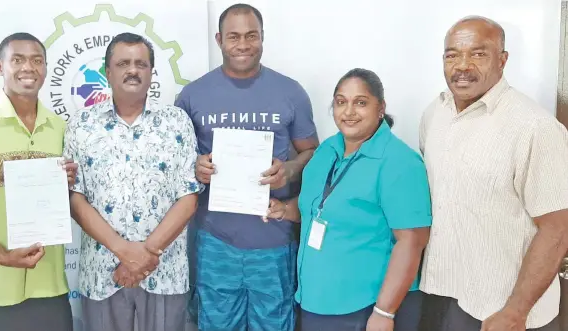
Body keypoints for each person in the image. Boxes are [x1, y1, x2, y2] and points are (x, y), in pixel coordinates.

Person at [174, 3, 319, 331]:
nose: (243, 44)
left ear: (263, 38)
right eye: (234, 37)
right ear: (219, 39)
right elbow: (175, 163)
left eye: (251, 36)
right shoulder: (192, 96)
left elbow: (311, 152)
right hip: (215, 242)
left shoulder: (291, 92)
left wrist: (290, 170)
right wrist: (195, 166)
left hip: (274, 240)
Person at [418, 16, 568, 331]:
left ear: (502, 60)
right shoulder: (435, 114)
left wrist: (515, 311)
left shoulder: (534, 127)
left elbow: (557, 229)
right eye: (452, 54)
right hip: (444, 294)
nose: (462, 65)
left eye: (478, 53)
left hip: (506, 312)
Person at [264, 68, 431, 331]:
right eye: (341, 102)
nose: (349, 111)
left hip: (365, 309)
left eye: (360, 102)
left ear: (380, 108)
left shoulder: (399, 162)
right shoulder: (327, 150)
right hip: (315, 302)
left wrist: (384, 313)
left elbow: (411, 242)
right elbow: (316, 207)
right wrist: (285, 209)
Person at [65, 32, 203, 331]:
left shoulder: (176, 121)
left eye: (141, 64)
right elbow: (75, 198)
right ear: (107, 71)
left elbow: (189, 195)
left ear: (151, 72)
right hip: (103, 272)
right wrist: (124, 251)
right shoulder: (81, 124)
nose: (132, 70)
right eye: (123, 63)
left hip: (165, 271)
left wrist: (146, 253)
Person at [0, 32, 77, 331]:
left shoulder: (61, 129)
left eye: (36, 60)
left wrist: (66, 181)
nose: (27, 68)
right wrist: (2, 255)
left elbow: (68, 198)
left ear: (45, 67)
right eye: (17, 60)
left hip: (50, 285)